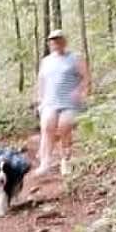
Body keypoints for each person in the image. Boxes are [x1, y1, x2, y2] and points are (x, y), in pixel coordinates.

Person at [35, 28, 89, 176]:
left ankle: (66, 160)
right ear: (49, 43)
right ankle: (45, 163)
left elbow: (85, 77)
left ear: (64, 41)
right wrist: (39, 99)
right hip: (50, 101)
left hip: (69, 102)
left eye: (59, 39)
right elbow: (41, 81)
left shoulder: (75, 58)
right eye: (52, 40)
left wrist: (80, 91)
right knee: (47, 127)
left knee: (64, 127)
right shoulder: (46, 61)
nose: (56, 43)